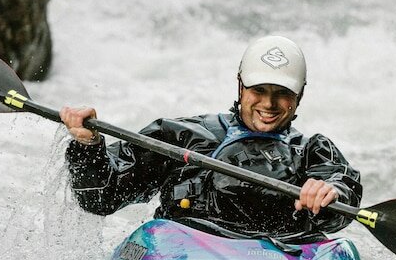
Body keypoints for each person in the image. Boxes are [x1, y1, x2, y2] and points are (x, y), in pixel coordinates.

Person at [60, 34, 362, 242]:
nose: (269, 104)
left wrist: (330, 193)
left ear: (299, 96)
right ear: (240, 86)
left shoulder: (312, 151)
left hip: (282, 257)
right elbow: (99, 198)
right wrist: (88, 147)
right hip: (188, 254)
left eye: (282, 94)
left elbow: (340, 189)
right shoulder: (181, 136)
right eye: (259, 91)